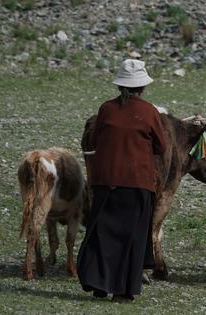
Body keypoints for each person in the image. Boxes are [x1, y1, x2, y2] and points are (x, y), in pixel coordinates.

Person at [77, 59, 167, 302]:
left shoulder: (106, 109)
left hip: (106, 181)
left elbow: (94, 141)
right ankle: (123, 291)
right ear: (142, 87)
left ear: (121, 86)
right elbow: (161, 146)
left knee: (102, 233)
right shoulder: (149, 111)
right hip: (137, 183)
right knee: (132, 238)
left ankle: (98, 282)